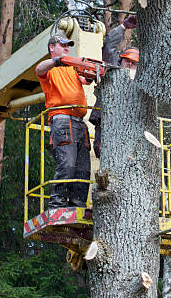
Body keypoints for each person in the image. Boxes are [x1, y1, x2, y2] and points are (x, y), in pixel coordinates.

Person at [35, 33, 92, 209]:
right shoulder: (50, 69)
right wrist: (57, 60)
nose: (67, 48)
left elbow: (86, 79)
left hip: (79, 122)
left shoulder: (72, 69)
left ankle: (78, 203)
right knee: (67, 164)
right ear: (52, 48)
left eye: (68, 45)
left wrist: (90, 72)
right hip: (62, 121)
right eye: (63, 45)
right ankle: (57, 203)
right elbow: (39, 69)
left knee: (83, 168)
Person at [89, 16, 139, 158]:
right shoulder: (112, 68)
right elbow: (109, 45)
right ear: (120, 58)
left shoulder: (139, 83)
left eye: (133, 63)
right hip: (106, 121)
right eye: (127, 60)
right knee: (103, 152)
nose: (129, 64)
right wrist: (123, 27)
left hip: (127, 127)